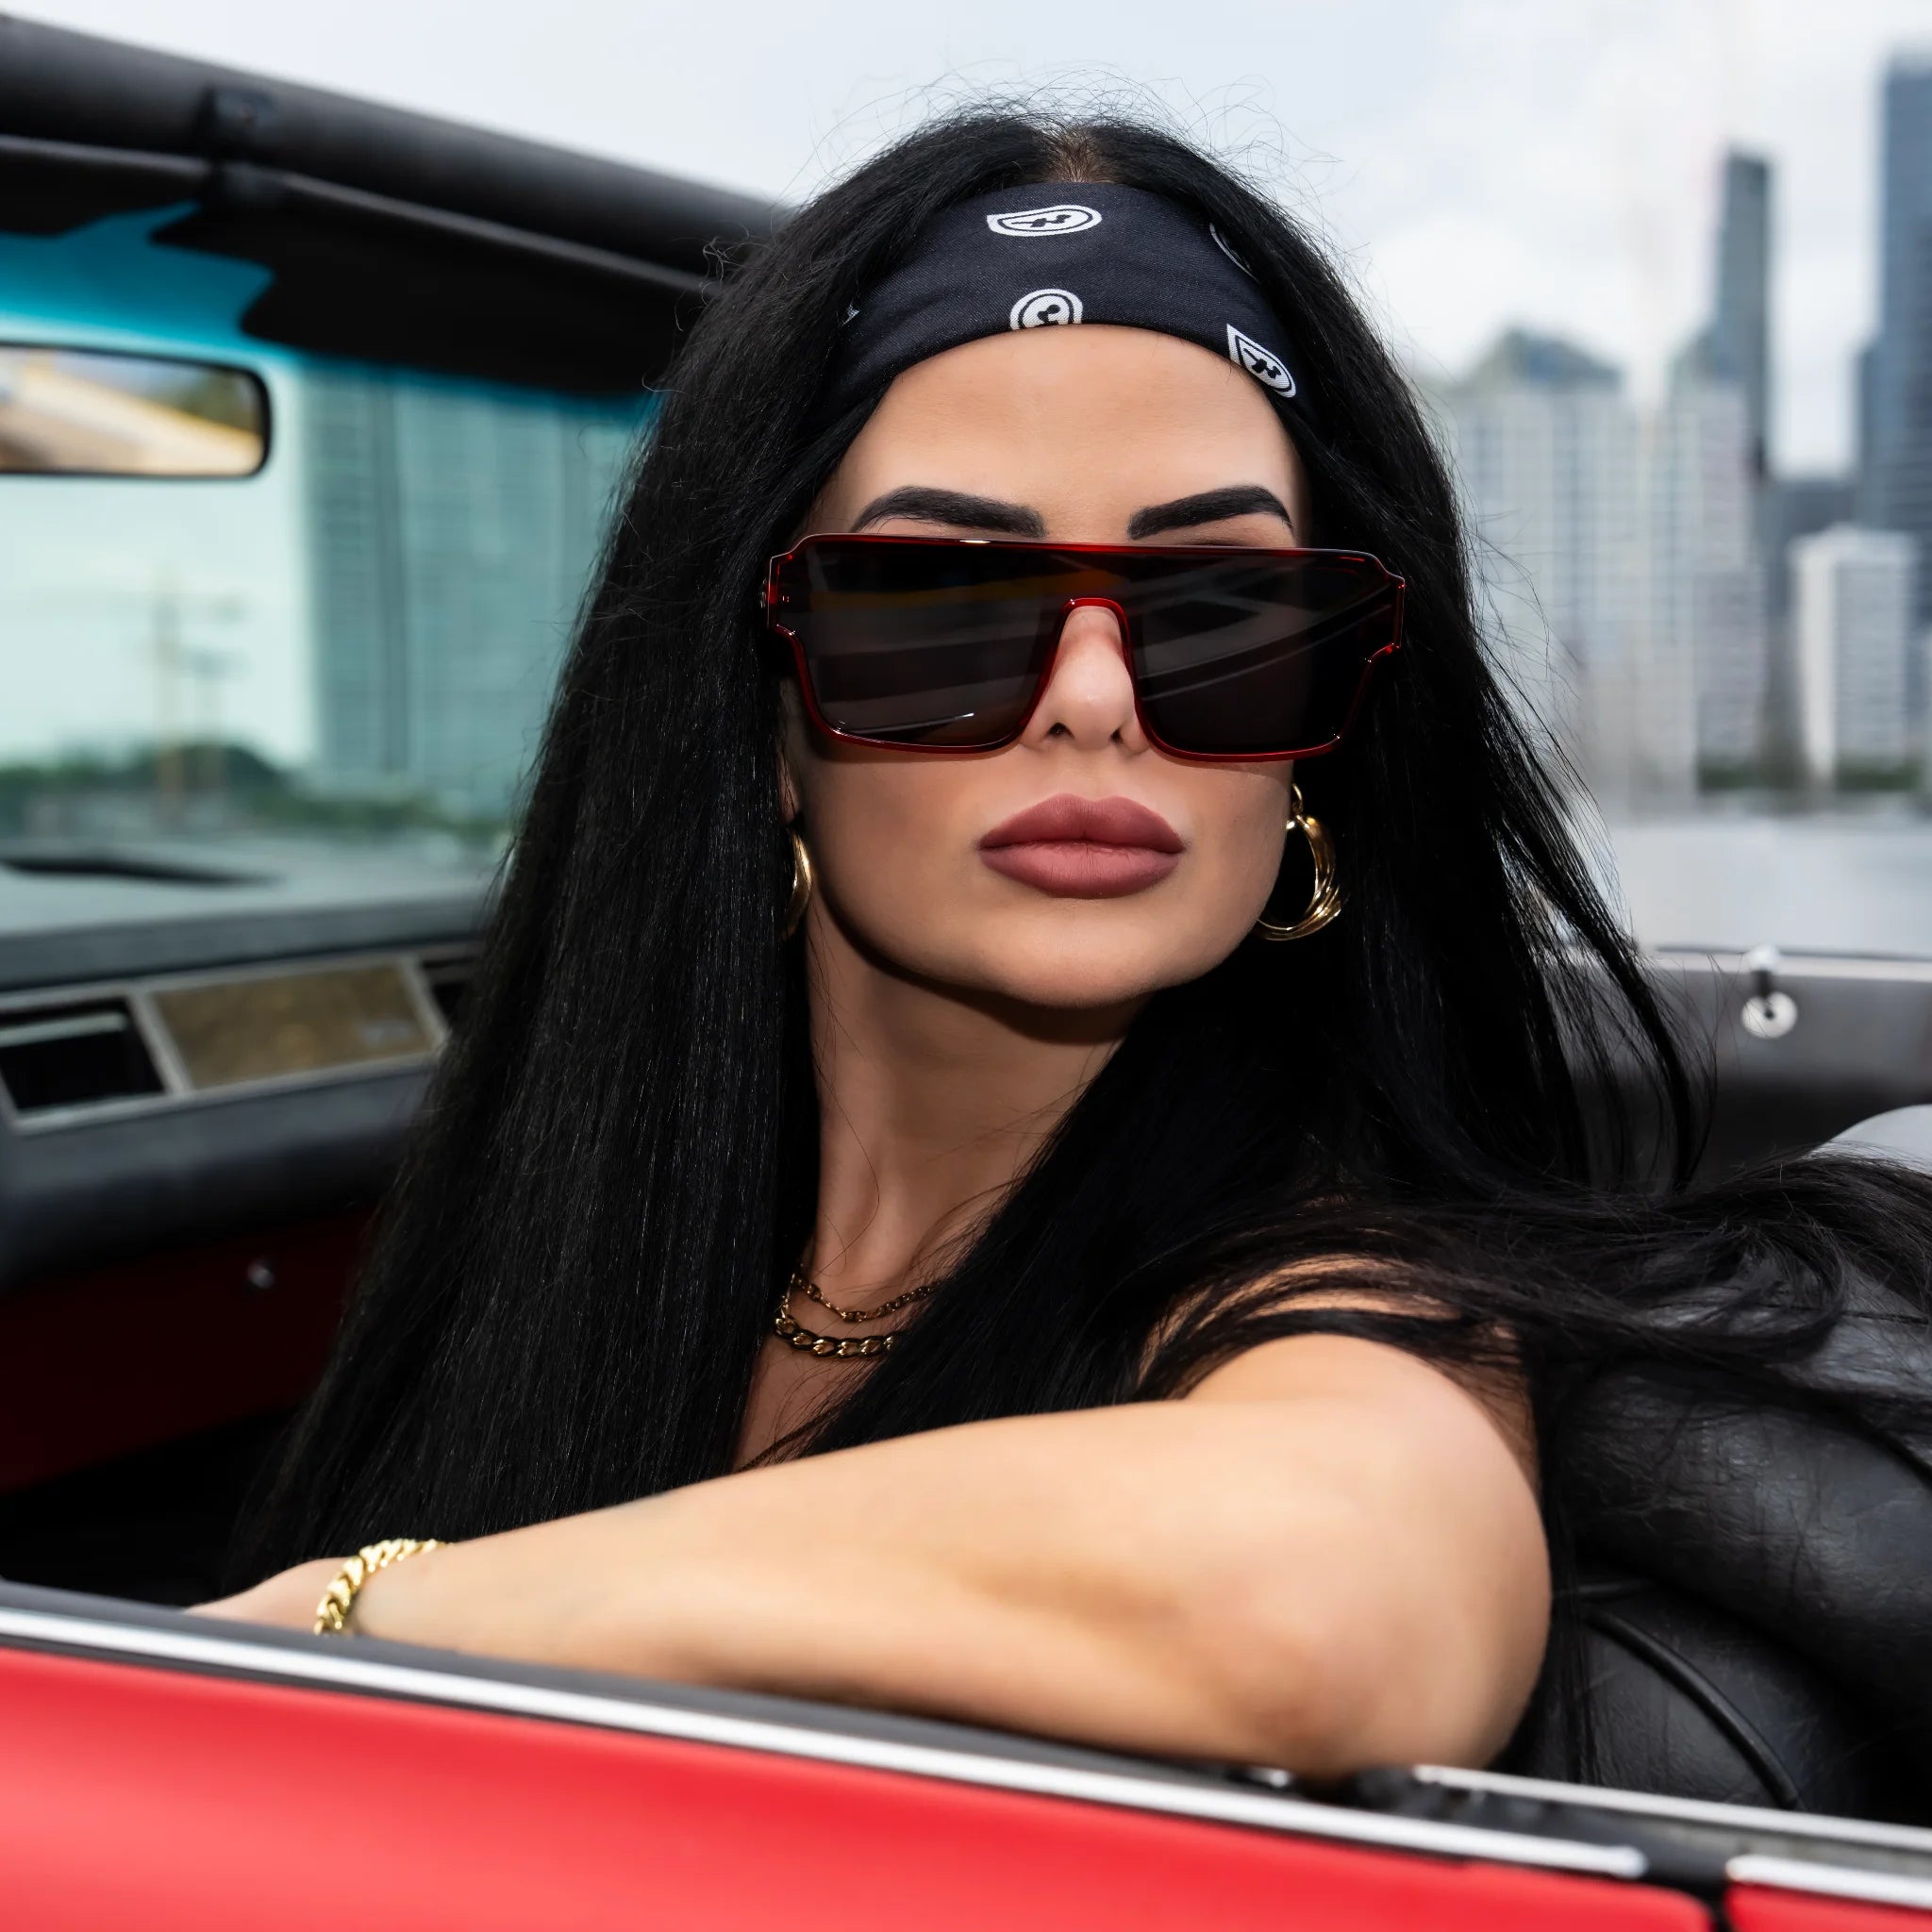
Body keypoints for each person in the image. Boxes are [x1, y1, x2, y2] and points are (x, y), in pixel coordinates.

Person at [202, 111, 1932, 1797]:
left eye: (1225, 621)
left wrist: (353, 1620)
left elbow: (1324, 1601)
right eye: (939, 606)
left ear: (1317, 744)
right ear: (761, 708)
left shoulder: (1331, 1288)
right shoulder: (572, 1226)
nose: (1098, 698)